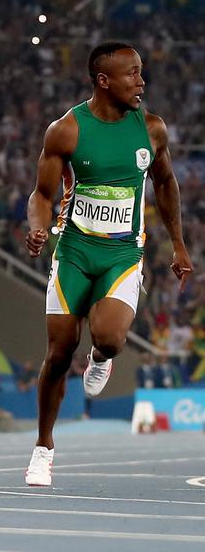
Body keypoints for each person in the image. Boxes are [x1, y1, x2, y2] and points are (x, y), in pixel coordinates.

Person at [24, 42, 192, 487]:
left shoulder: (152, 130)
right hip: (75, 253)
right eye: (132, 74)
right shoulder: (66, 131)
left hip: (122, 254)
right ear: (103, 80)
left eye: (142, 72)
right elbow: (41, 194)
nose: (142, 81)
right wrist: (38, 227)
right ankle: (43, 447)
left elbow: (166, 183)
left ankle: (101, 356)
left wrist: (178, 244)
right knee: (59, 354)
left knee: (112, 338)